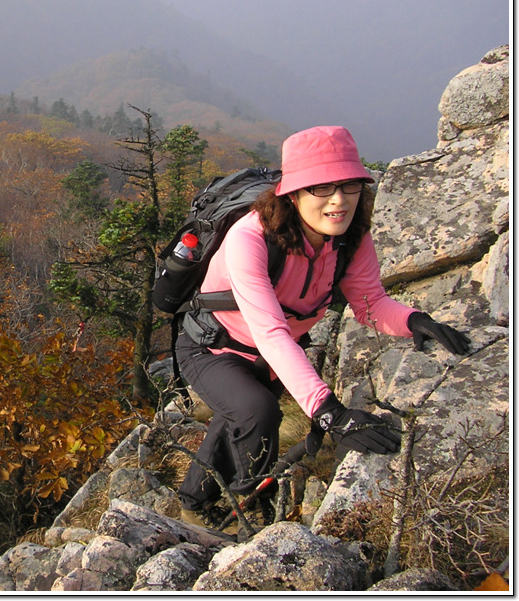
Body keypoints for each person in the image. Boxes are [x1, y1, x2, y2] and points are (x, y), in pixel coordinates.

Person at [175, 125, 471, 529]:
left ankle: (193, 502)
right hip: (210, 345)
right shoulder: (251, 238)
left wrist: (413, 320)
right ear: (292, 193)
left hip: (270, 356)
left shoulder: (350, 238)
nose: (338, 201)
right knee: (256, 411)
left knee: (239, 416)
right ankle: (242, 510)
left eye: (350, 186)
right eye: (321, 188)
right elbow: (271, 331)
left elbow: (370, 303)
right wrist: (329, 413)